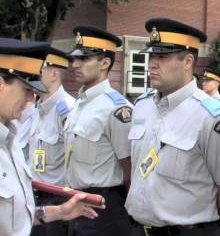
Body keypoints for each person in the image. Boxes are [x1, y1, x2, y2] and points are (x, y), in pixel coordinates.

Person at [126, 18, 220, 236]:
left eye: (162, 56)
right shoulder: (142, 106)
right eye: (152, 56)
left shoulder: (211, 117)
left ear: (187, 62)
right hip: (138, 229)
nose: (152, 64)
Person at [0, 37, 100, 236]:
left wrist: (57, 212)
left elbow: (12, 217)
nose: (31, 99)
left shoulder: (9, 140)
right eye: (27, 90)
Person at [64, 25, 133, 236]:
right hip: (75, 203)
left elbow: (129, 168)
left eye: (84, 59)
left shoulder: (117, 109)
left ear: (104, 63)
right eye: (74, 58)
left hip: (104, 208)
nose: (75, 64)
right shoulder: (78, 104)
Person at [29, 47, 75, 236]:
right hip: (34, 199)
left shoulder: (68, 110)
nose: (31, 75)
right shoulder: (36, 109)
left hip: (58, 202)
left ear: (54, 73)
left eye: (38, 70)